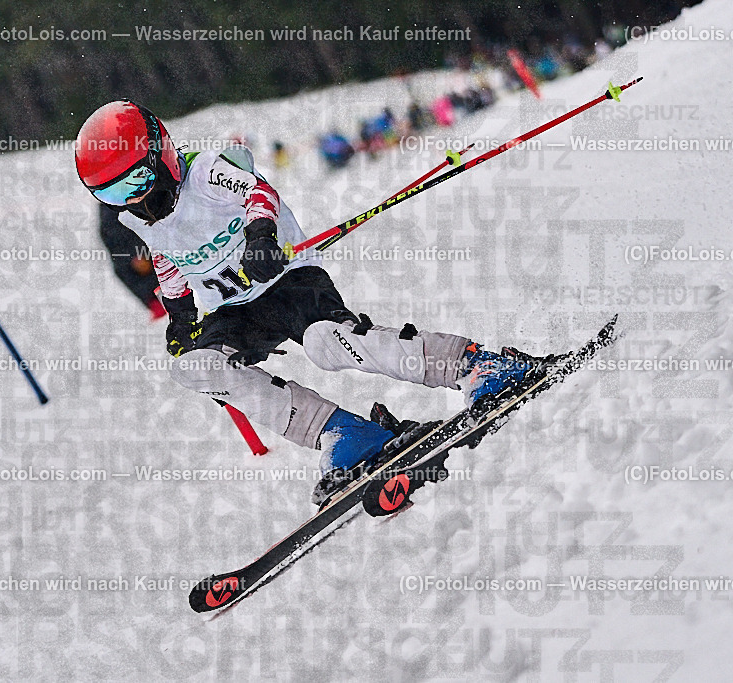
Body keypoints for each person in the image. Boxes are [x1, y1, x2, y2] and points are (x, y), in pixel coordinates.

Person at [75, 100, 536, 505]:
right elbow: (167, 258)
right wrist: (179, 315)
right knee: (194, 366)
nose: (133, 198)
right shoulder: (139, 217)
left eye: (136, 179)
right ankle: (345, 433)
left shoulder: (204, 170)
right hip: (232, 309)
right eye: (112, 194)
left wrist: (260, 235)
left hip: (288, 279)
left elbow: (259, 193)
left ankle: (476, 366)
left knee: (325, 343)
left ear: (162, 152)